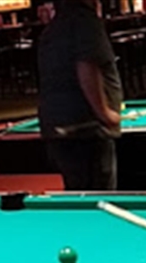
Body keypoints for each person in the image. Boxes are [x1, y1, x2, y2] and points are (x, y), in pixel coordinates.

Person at [37, 0, 123, 191]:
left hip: (58, 127)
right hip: (87, 129)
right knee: (99, 198)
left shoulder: (52, 28)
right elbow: (86, 68)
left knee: (78, 192)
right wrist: (105, 113)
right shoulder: (86, 21)